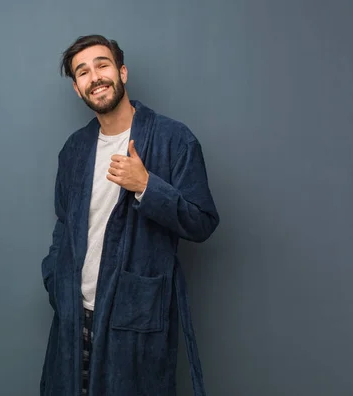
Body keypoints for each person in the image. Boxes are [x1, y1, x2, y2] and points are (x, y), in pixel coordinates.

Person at [40, 34, 220, 396]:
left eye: (102, 65)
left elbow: (202, 221)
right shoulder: (74, 150)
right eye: (83, 72)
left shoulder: (173, 140)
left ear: (122, 71)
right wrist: (55, 279)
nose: (95, 77)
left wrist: (147, 186)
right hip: (76, 312)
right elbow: (65, 224)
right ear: (78, 89)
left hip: (133, 316)